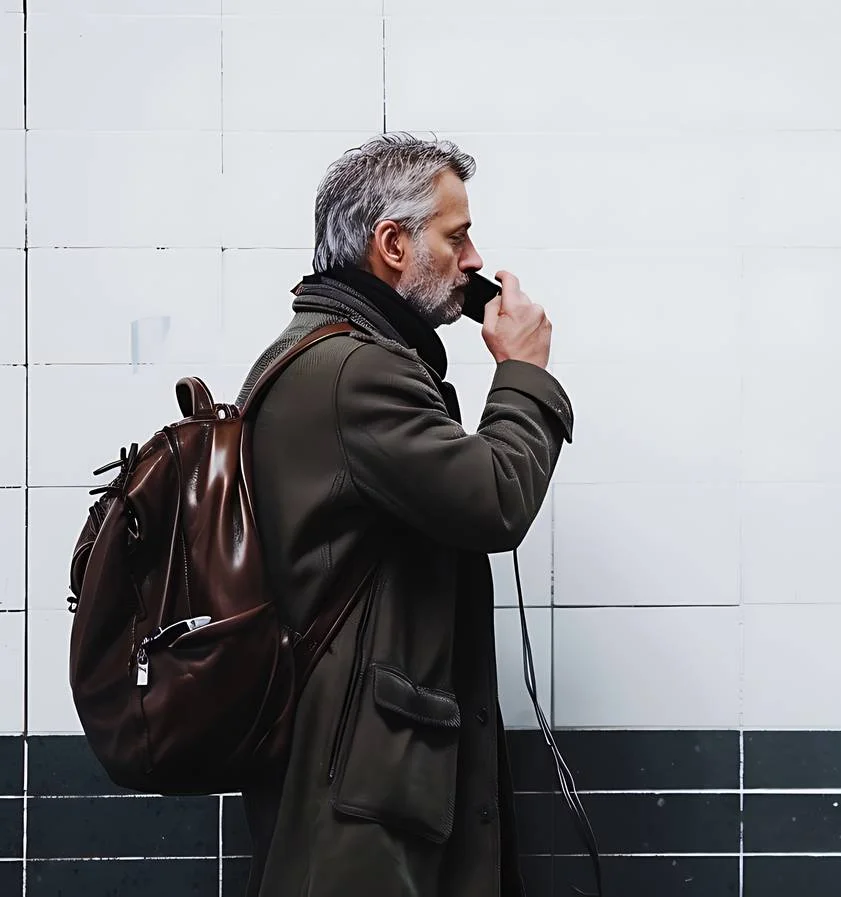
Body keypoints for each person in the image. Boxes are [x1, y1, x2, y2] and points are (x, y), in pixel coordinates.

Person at [234, 132, 574, 897]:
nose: (476, 259)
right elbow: (494, 499)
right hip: (362, 796)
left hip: (357, 776)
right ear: (392, 244)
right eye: (456, 236)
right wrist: (522, 372)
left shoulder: (328, 353)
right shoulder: (357, 370)